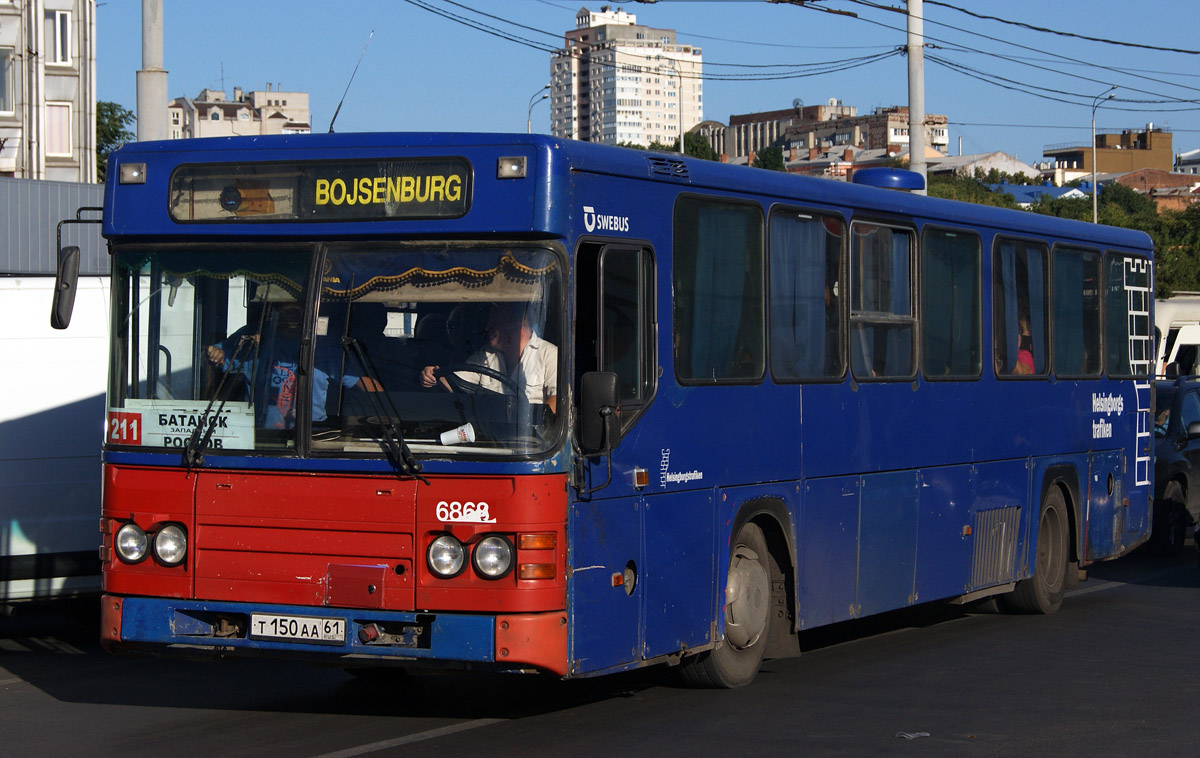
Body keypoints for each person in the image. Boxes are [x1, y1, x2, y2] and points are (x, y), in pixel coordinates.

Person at [206, 303, 378, 429]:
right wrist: (215, 355)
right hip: (258, 435)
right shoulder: (251, 337)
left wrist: (392, 407)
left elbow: (363, 384)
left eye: (298, 305)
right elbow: (218, 358)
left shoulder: (325, 346)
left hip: (311, 435)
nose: (292, 314)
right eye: (286, 305)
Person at [420, 303, 557, 414]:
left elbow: (558, 401)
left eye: (495, 322)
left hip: (529, 443)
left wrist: (532, 423)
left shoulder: (549, 354)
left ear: (515, 324)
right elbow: (456, 384)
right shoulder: (485, 356)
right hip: (487, 436)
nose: (487, 328)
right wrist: (433, 376)